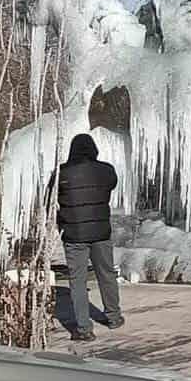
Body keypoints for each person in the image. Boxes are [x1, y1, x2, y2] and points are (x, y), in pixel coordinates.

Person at [53, 134, 124, 341]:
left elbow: (52, 196)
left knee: (77, 281)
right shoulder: (106, 170)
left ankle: (84, 329)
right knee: (107, 274)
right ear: (93, 149)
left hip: (74, 234)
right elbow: (111, 185)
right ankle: (113, 316)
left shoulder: (61, 173)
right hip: (101, 232)